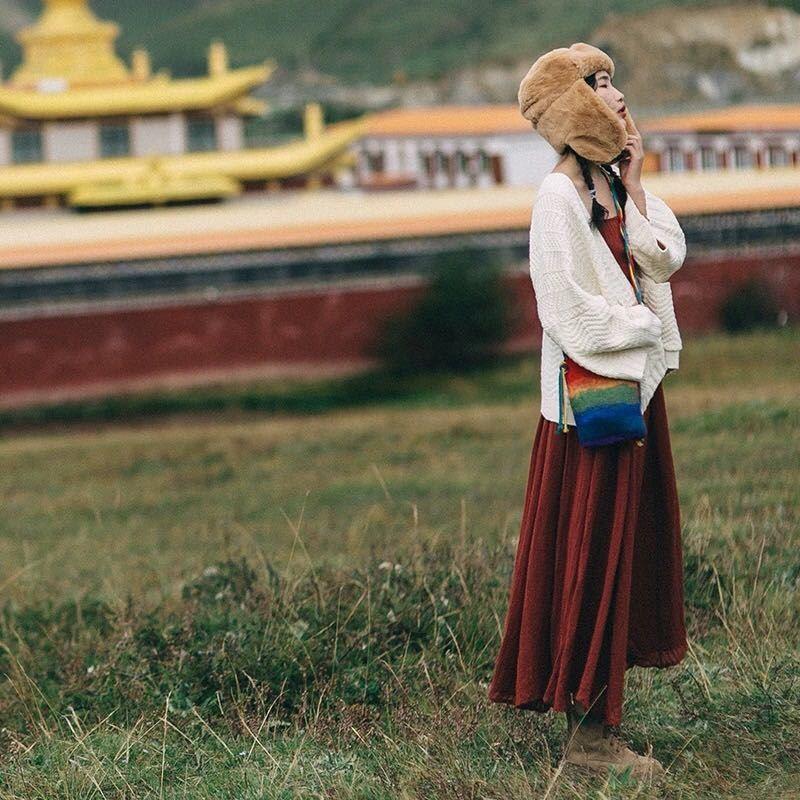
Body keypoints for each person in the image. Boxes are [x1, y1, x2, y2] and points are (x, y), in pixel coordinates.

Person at [487, 43, 688, 780]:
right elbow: (566, 310)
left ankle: (602, 731)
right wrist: (638, 323)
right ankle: (591, 745)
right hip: (589, 409)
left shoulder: (609, 186)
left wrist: (634, 183)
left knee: (624, 555)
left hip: (632, 399)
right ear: (571, 104)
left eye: (613, 78)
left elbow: (665, 256)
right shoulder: (557, 200)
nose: (617, 94)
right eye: (597, 83)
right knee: (592, 559)